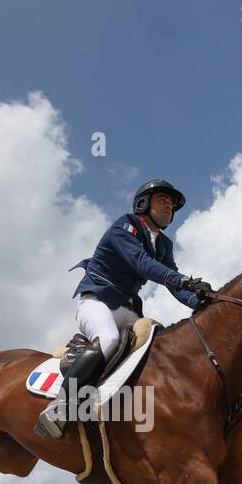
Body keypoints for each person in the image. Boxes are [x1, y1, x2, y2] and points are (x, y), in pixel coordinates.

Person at [36, 179, 215, 438]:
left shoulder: (163, 245)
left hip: (130, 312)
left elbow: (175, 285)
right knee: (108, 340)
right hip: (98, 301)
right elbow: (141, 263)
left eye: (172, 204)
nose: (169, 205)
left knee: (159, 355)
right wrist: (182, 279)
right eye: (163, 199)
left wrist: (203, 301)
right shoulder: (125, 225)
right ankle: (60, 406)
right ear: (143, 203)